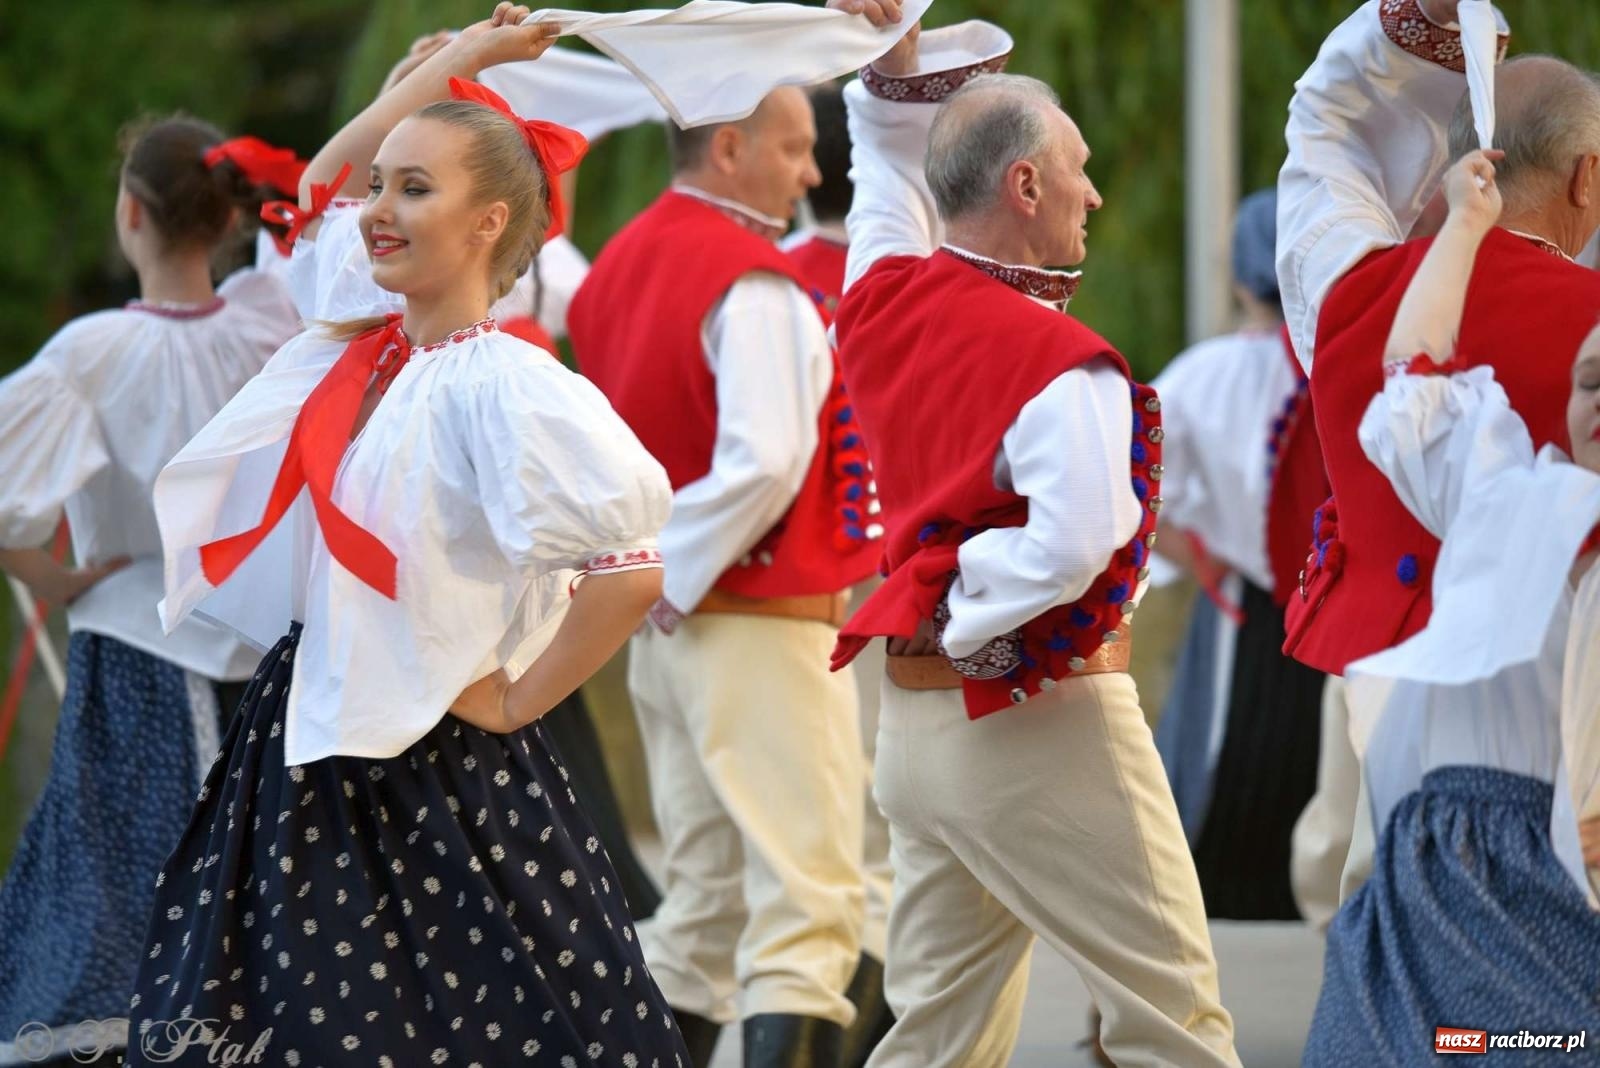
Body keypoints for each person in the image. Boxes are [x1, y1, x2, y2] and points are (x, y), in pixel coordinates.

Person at [123, 7, 689, 1064]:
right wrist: (461, 63)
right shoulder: (369, 337)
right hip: (309, 736)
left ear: (489, 225)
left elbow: (626, 567)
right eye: (384, 187)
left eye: (414, 190)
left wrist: (520, 699)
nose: (377, 210)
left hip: (443, 760)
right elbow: (322, 189)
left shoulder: (509, 382)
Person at [825, 3, 1239, 1065]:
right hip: (1032, 715)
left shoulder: (873, 299)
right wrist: (969, 607)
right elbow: (1079, 540)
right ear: (1026, 187)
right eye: (1079, 170)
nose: (1094, 192)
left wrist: (889, 79)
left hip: (912, 740)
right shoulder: (1062, 363)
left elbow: (880, 187)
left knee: (937, 1035)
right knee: (1174, 1023)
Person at [566, 60, 883, 1068]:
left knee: (701, 899)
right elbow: (767, 463)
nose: (807, 175)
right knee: (809, 896)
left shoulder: (611, 265)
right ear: (730, 148)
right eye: (792, 149)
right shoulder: (755, 281)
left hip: (661, 627)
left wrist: (645, 577)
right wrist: (673, 570)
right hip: (753, 617)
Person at [0, 117, 301, 1064]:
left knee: (122, 888)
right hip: (271, 656)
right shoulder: (273, 322)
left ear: (130, 213)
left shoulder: (91, 353)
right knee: (254, 883)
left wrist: (44, 570)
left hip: (136, 651)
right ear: (223, 222)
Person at [1303, 148, 1600, 1066]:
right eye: (1594, 380)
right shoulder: (1515, 493)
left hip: (1564, 882)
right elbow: (1414, 380)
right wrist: (1465, 227)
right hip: (1438, 862)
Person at [1276, 0, 1600, 675]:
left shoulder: (1349, 290)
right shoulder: (1590, 319)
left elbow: (1327, 128)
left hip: (1367, 670)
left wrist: (1417, 22)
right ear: (1586, 177)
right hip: (1542, 680)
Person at [1150, 189, 1326, 920]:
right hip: (1335, 610)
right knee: (1328, 781)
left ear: (1239, 279)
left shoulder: (1202, 373)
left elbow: (1131, 489)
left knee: (1205, 772)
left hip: (1241, 605)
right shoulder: (1356, 361)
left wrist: (1200, 557)